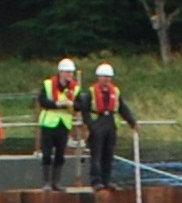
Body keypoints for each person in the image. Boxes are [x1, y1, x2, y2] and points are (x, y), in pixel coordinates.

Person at [82, 62, 135, 191]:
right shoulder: (91, 92)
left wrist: (132, 122)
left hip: (110, 122)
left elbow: (122, 108)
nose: (106, 80)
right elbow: (85, 109)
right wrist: (90, 125)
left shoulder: (115, 91)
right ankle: (96, 181)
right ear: (98, 77)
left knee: (108, 153)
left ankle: (107, 180)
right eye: (103, 77)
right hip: (97, 122)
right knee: (96, 154)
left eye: (108, 77)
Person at [37, 59, 80, 190]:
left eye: (71, 73)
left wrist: (73, 105)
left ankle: (56, 182)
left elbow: (80, 105)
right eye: (67, 72)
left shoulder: (75, 89)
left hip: (64, 124)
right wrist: (57, 104)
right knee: (47, 153)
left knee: (60, 154)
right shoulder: (48, 84)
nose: (70, 75)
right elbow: (42, 101)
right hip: (49, 123)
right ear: (60, 72)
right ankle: (46, 182)